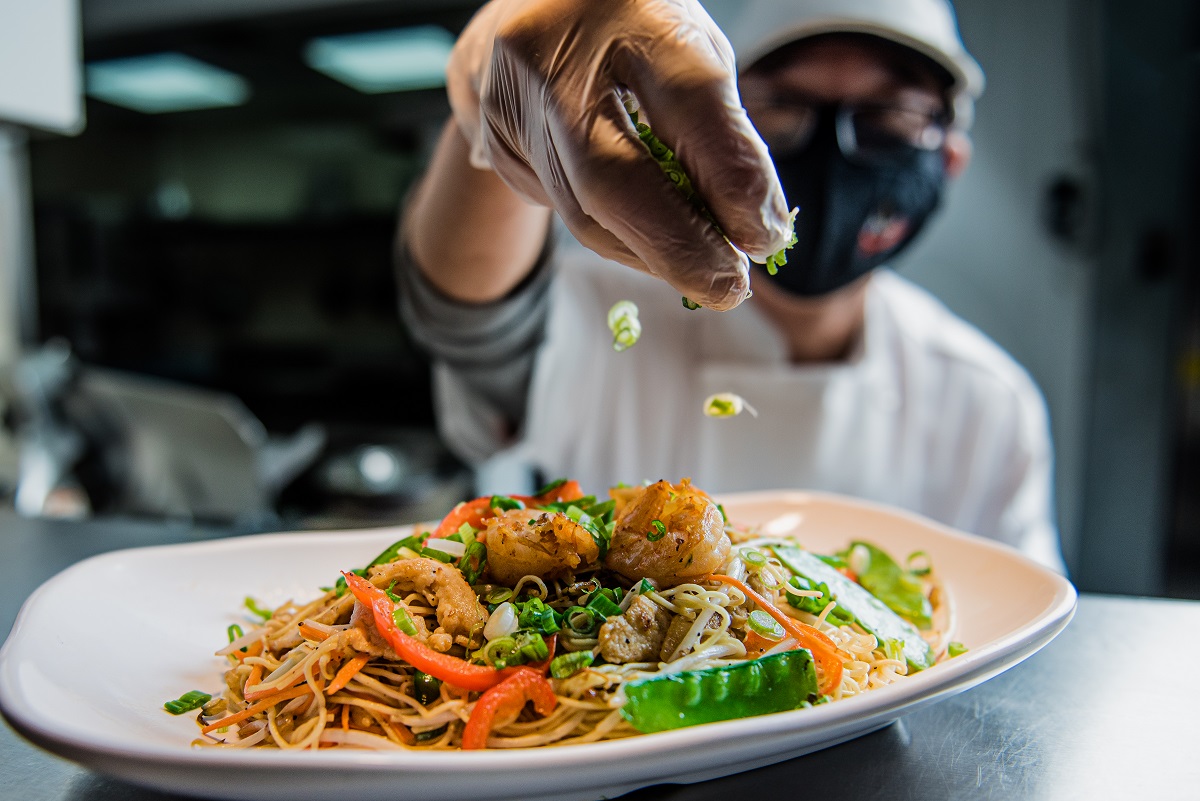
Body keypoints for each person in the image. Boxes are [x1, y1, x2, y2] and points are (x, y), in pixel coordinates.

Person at [396, 0, 1066, 572]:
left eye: (888, 117)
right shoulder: (597, 310)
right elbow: (463, 312)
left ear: (947, 159)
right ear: (712, 121)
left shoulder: (987, 405)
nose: (829, 151)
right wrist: (488, 96)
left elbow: (1017, 639)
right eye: (780, 108)